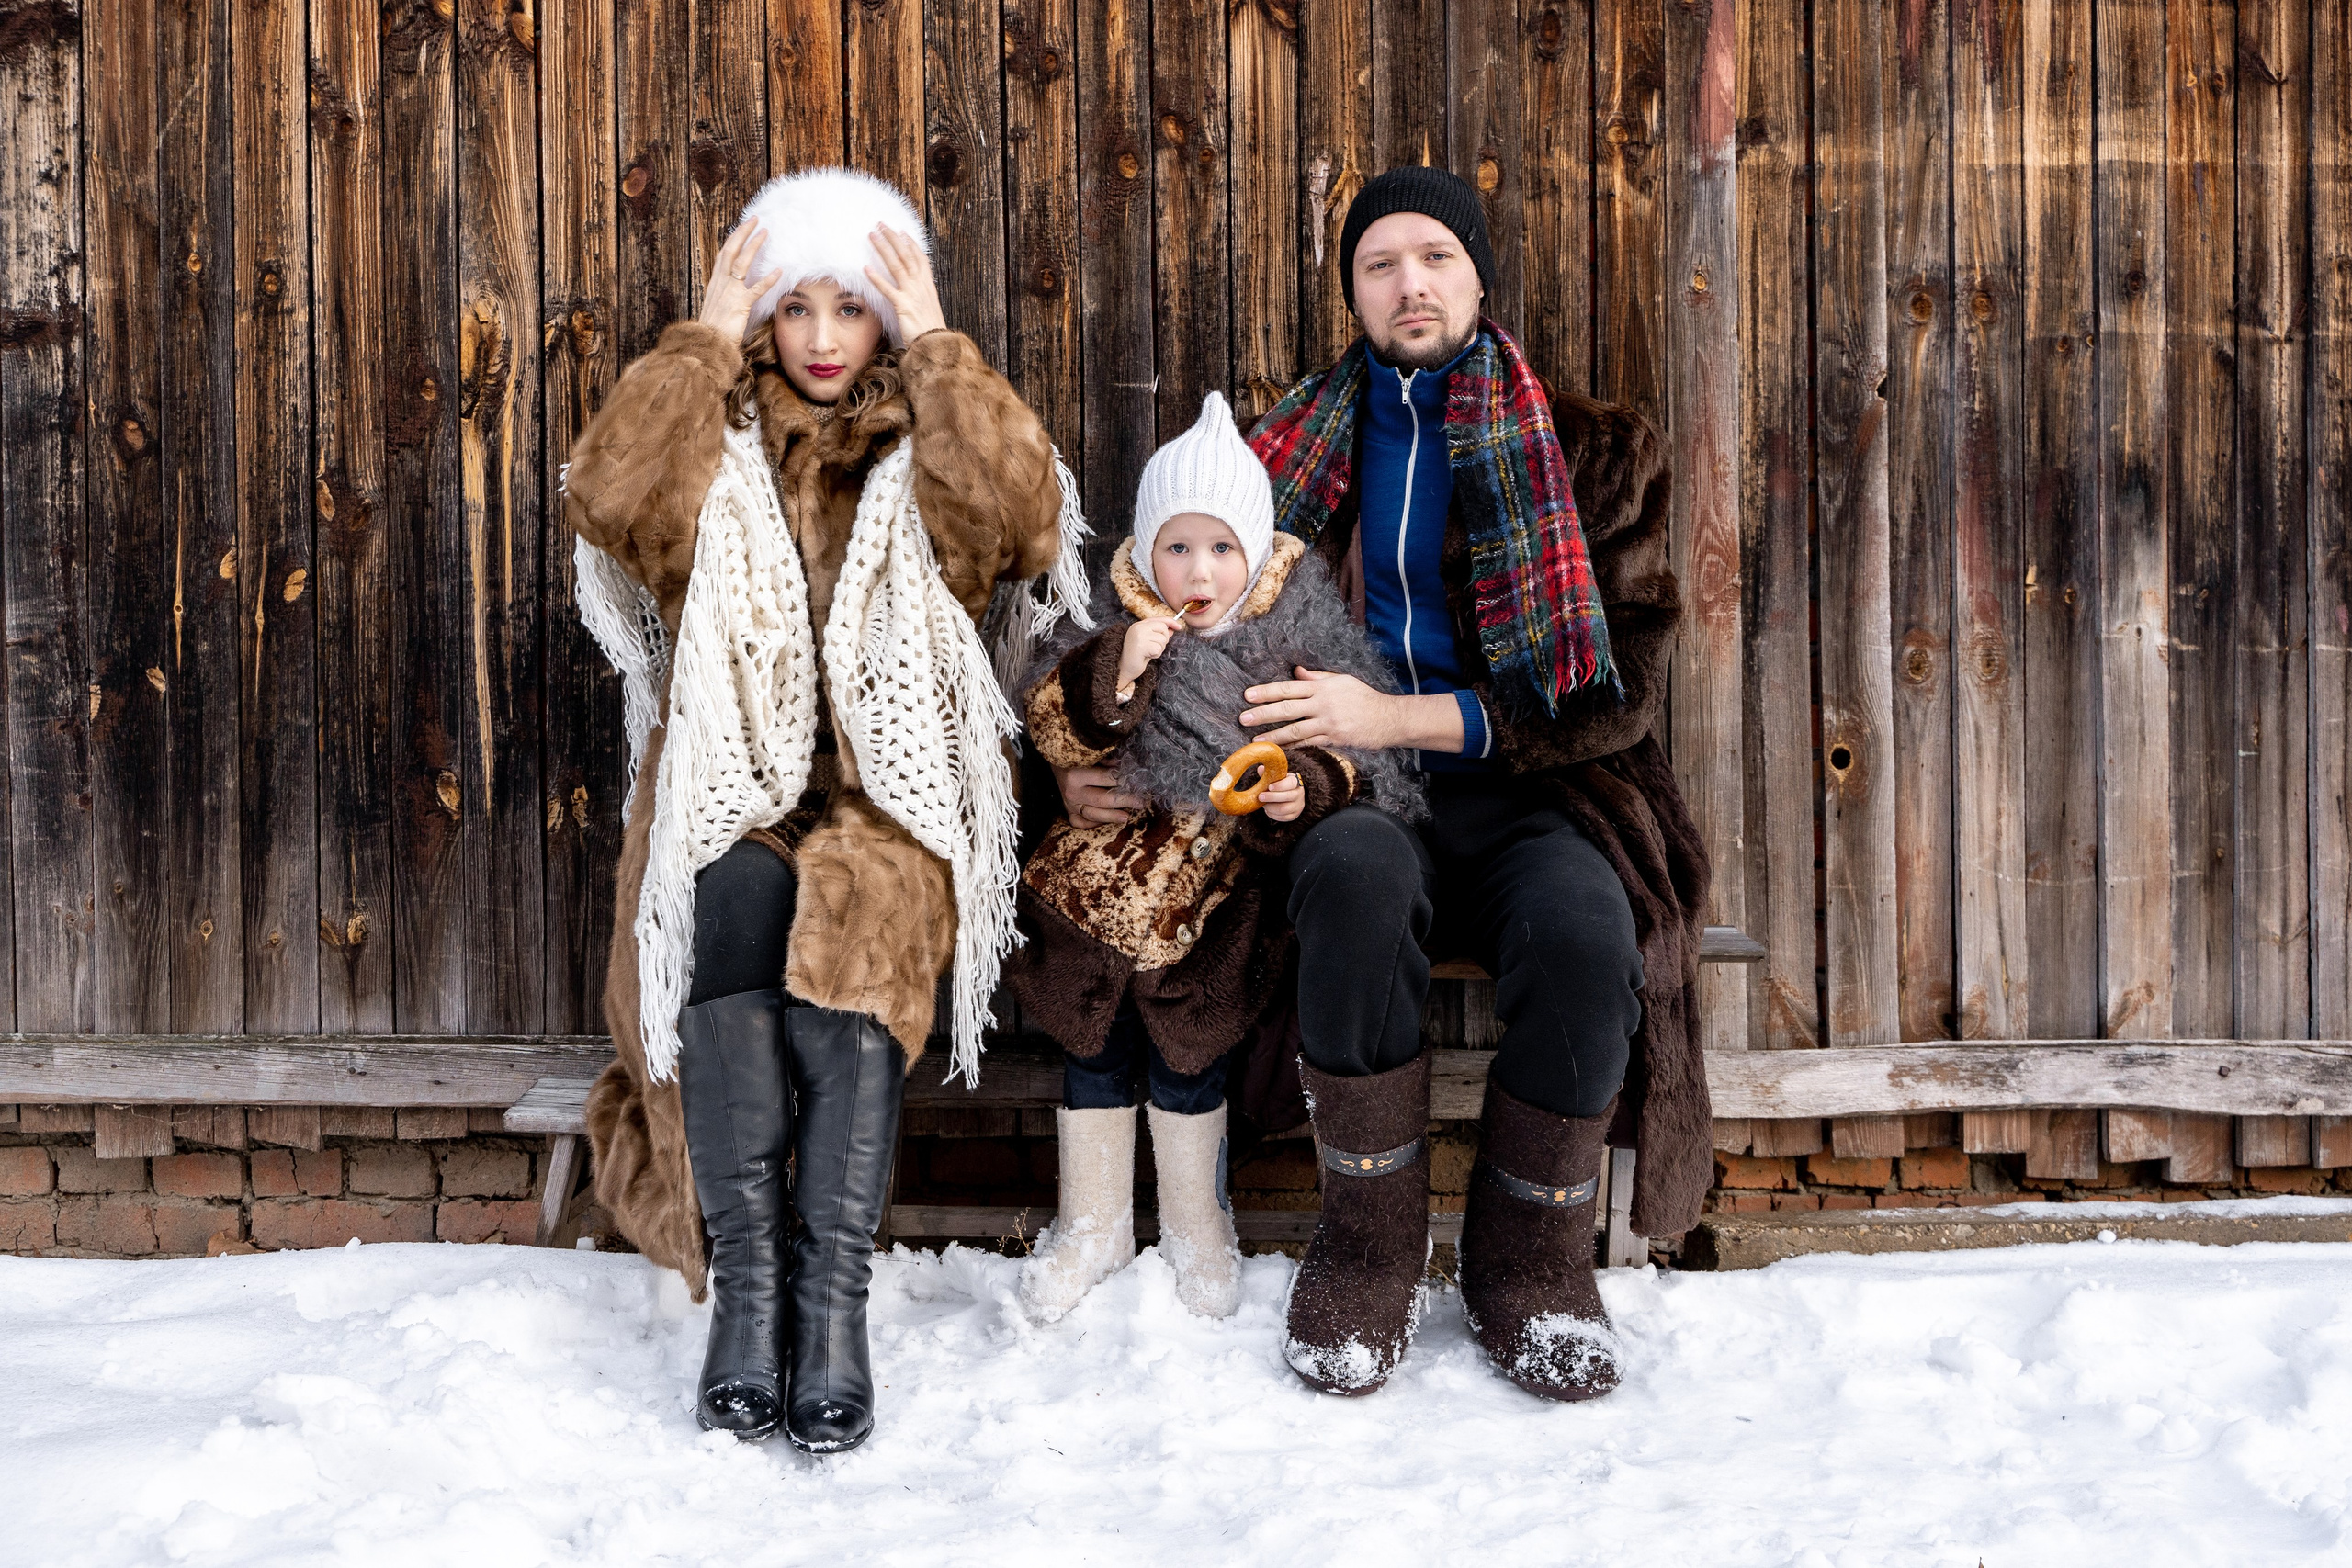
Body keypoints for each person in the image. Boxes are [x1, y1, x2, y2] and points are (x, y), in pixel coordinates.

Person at [1053, 165, 1713, 1403]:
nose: (1410, 283)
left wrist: (1395, 712)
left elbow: (1614, 688)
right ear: (1353, 293)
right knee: (1350, 887)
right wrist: (1118, 764)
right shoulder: (1282, 458)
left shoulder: (1594, 451)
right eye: (1380, 264)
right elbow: (1177, 628)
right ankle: (1367, 1242)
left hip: (1537, 791)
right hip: (1345, 786)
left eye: (1435, 257)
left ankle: (1532, 1259)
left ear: (1476, 275)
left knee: (1586, 938)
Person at [563, 166, 1080, 1452]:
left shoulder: (922, 441)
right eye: (796, 307)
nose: (825, 337)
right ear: (763, 319)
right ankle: (752, 1297)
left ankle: (830, 1300)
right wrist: (700, 339)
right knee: (727, 895)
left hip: (889, 801)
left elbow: (1022, 524)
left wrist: (942, 348)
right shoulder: (713, 440)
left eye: (852, 307)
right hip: (729, 789)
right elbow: (608, 500)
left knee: (863, 918)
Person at [1006, 393, 1425, 1325]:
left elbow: (1356, 754)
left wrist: (1302, 786)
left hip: (1214, 898)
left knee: (1187, 1058)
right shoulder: (1110, 619)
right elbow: (1049, 721)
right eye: (1179, 547)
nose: (1199, 571)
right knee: (1093, 1050)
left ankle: (1197, 1221)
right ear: (1146, 551)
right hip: (1100, 891)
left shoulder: (1299, 637)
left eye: (1222, 548)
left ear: (1256, 554)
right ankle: (1093, 1224)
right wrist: (1119, 668)